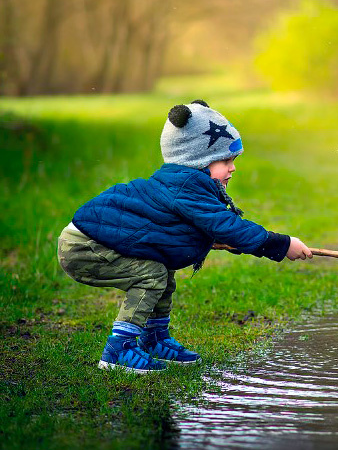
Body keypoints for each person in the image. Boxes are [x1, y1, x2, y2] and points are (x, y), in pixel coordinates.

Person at [57, 100, 313, 374]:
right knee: (152, 274)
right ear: (198, 160)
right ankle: (119, 349)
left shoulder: (185, 182)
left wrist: (213, 241)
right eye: (226, 160)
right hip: (85, 247)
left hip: (93, 241)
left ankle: (155, 339)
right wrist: (281, 244)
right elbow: (226, 225)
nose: (232, 168)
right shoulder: (187, 184)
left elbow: (182, 230)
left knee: (162, 273)